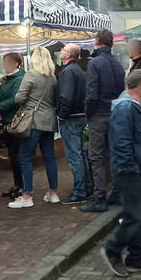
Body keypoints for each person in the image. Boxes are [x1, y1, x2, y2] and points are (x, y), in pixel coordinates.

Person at [100, 70, 141, 276]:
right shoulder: (125, 108)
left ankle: (136, 256)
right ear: (139, 87)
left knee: (140, 214)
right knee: (135, 215)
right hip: (131, 171)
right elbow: (121, 143)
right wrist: (131, 171)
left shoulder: (136, 106)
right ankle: (113, 249)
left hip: (140, 170)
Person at [9, 47, 60, 208]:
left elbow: (19, 98)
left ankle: (27, 195)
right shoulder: (52, 78)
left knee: (24, 157)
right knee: (49, 157)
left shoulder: (31, 74)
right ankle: (53, 193)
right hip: (49, 121)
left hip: (33, 122)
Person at [82, 29, 126, 213]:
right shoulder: (117, 63)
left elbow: (91, 93)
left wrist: (88, 113)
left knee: (97, 156)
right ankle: (116, 193)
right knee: (113, 154)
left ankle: (99, 197)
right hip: (115, 113)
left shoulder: (95, 63)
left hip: (99, 114)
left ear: (97, 41)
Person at [56, 43, 90, 204]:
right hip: (80, 115)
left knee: (74, 155)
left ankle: (79, 191)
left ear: (68, 55)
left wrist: (61, 115)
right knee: (81, 154)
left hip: (71, 117)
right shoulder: (77, 70)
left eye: (63, 50)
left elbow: (66, 96)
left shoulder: (68, 71)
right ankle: (87, 188)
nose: (60, 52)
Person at [0, 53, 25, 199]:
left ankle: (22, 186)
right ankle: (18, 185)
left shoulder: (18, 79)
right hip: (8, 120)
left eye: (8, 62)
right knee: (13, 154)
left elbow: (15, 99)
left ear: (17, 64)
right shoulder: (9, 78)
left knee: (17, 155)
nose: (5, 65)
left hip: (15, 121)